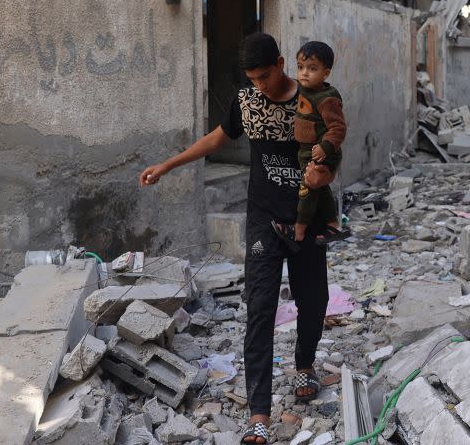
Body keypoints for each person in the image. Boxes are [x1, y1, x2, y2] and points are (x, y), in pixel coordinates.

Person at [138, 33, 330, 444]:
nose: (260, 85)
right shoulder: (247, 102)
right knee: (260, 310)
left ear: (281, 62)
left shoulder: (314, 98)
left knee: (313, 300)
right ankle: (259, 413)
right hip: (263, 220)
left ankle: (305, 366)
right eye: (252, 79)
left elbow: (334, 146)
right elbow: (220, 137)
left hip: (308, 217)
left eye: (265, 76)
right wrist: (170, 164)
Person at [272, 41, 350, 248]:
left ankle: (297, 231)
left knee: (306, 191)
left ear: (326, 73)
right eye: (300, 67)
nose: (304, 73)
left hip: (321, 153)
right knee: (320, 190)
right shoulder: (305, 89)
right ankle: (333, 225)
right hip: (306, 151)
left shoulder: (327, 99)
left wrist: (325, 148)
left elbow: (339, 128)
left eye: (312, 68)